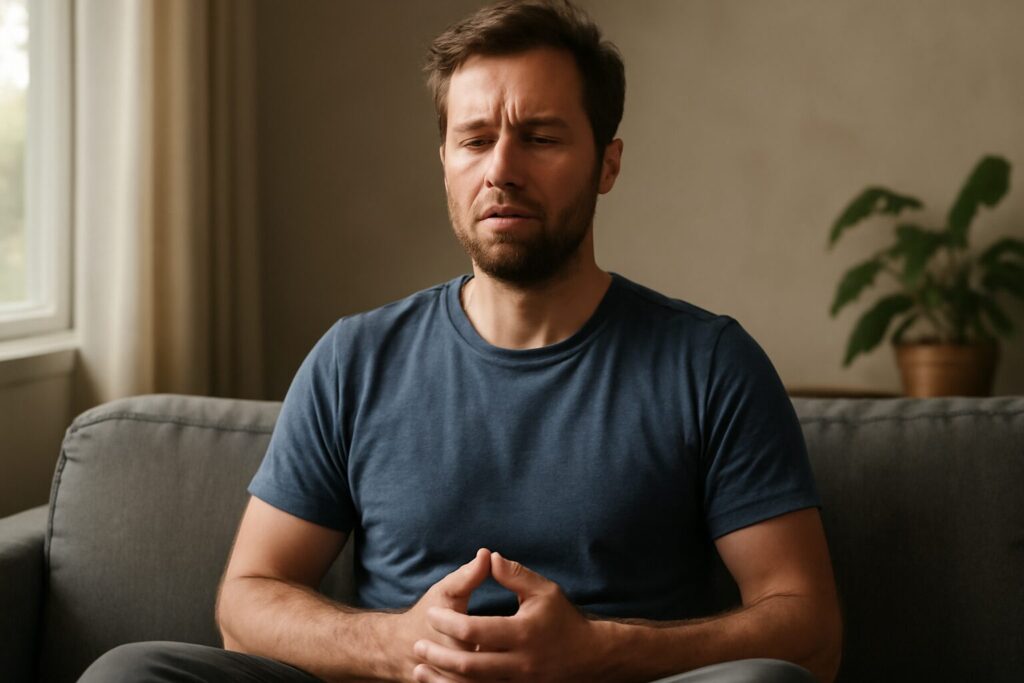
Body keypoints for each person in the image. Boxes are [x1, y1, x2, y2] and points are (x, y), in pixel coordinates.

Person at [80, 1, 841, 681]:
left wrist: (596, 651)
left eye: (541, 137)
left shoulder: (708, 363)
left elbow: (808, 628)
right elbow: (245, 603)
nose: (501, 169)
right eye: (474, 139)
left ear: (607, 163)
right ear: (445, 161)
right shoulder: (355, 359)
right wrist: (401, 645)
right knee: (130, 671)